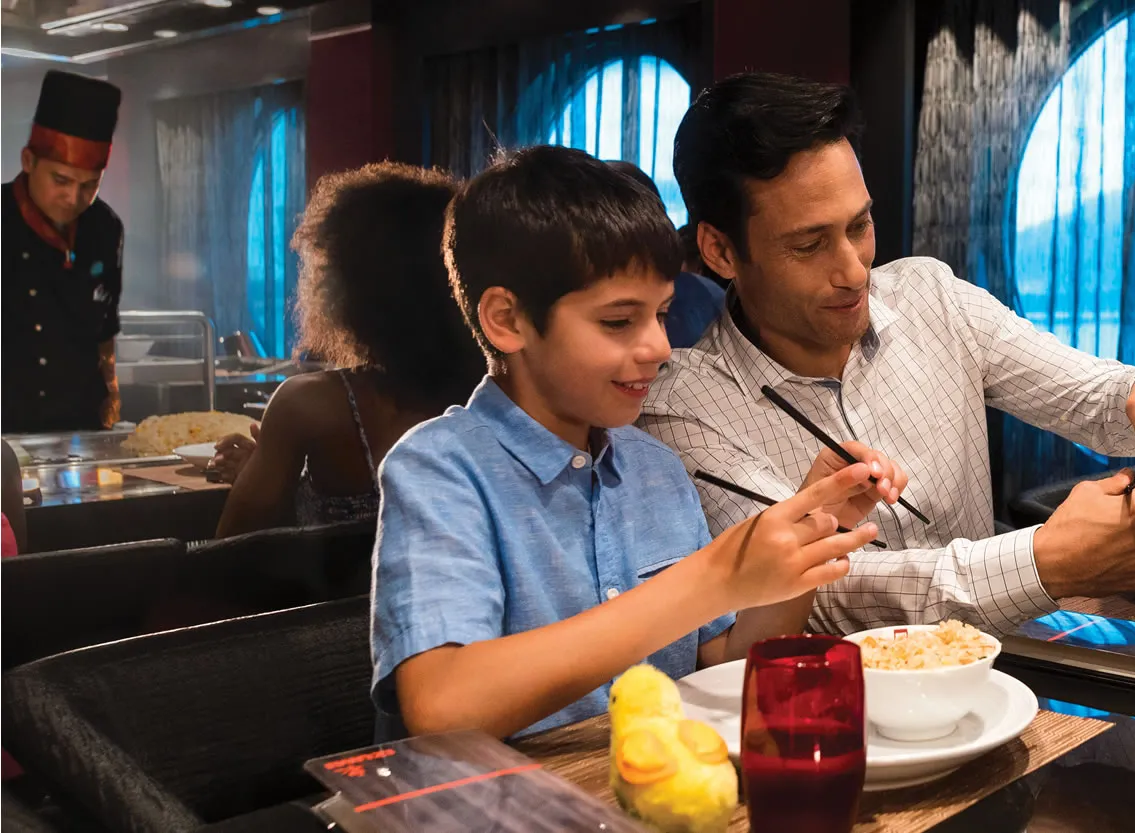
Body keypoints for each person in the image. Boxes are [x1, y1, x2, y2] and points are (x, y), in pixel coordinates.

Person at [640, 72, 1135, 637]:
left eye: (860, 225)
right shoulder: (684, 407)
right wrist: (1041, 561)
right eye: (809, 244)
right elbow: (824, 594)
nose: (854, 271)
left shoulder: (931, 296)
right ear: (719, 251)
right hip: (843, 709)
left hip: (1001, 681)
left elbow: (1088, 393)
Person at [371, 146, 903, 740]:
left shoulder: (654, 467)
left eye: (662, 314)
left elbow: (722, 664)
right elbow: (443, 704)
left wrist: (813, 531)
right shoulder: (439, 470)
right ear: (508, 320)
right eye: (619, 322)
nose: (656, 348)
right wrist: (710, 578)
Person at [212, 163, 486, 536]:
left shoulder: (310, 405)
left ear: (351, 289)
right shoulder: (498, 397)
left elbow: (234, 548)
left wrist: (267, 477)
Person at [3, 71, 125, 434]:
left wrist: (113, 394)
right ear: (28, 161)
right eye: (61, 180)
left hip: (81, 428)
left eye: (89, 185)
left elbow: (106, 327)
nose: (74, 199)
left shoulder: (105, 227)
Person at [604, 160, 727, 348]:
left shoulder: (707, 296)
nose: (662, 349)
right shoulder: (708, 293)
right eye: (618, 322)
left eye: (662, 314)